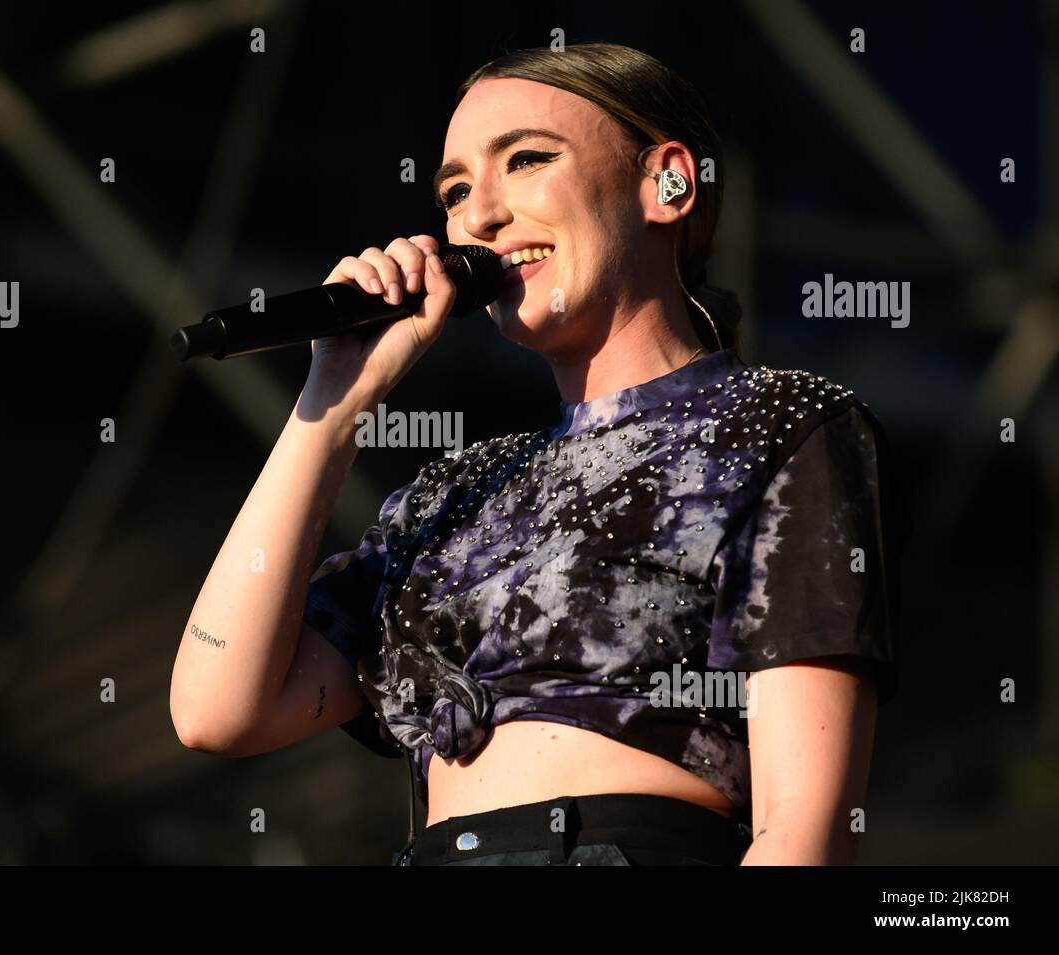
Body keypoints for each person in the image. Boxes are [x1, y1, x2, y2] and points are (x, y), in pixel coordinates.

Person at [170, 42, 901, 866]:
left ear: (667, 182)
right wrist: (332, 401)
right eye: (454, 190)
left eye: (524, 160)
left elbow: (801, 830)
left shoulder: (775, 423)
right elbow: (217, 706)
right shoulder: (456, 489)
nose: (478, 215)